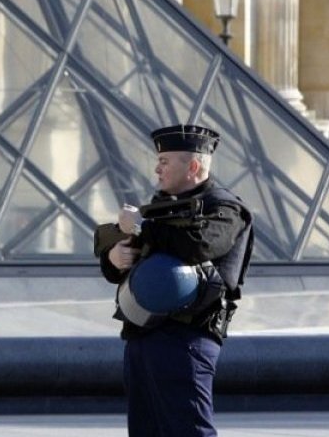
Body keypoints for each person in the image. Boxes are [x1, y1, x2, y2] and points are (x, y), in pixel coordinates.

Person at [94, 124, 253, 437]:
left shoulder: (225, 209)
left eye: (165, 161)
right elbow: (126, 264)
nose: (157, 168)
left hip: (187, 338)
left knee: (190, 431)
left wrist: (142, 227)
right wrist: (113, 258)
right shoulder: (159, 210)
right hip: (141, 337)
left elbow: (200, 245)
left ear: (193, 166)